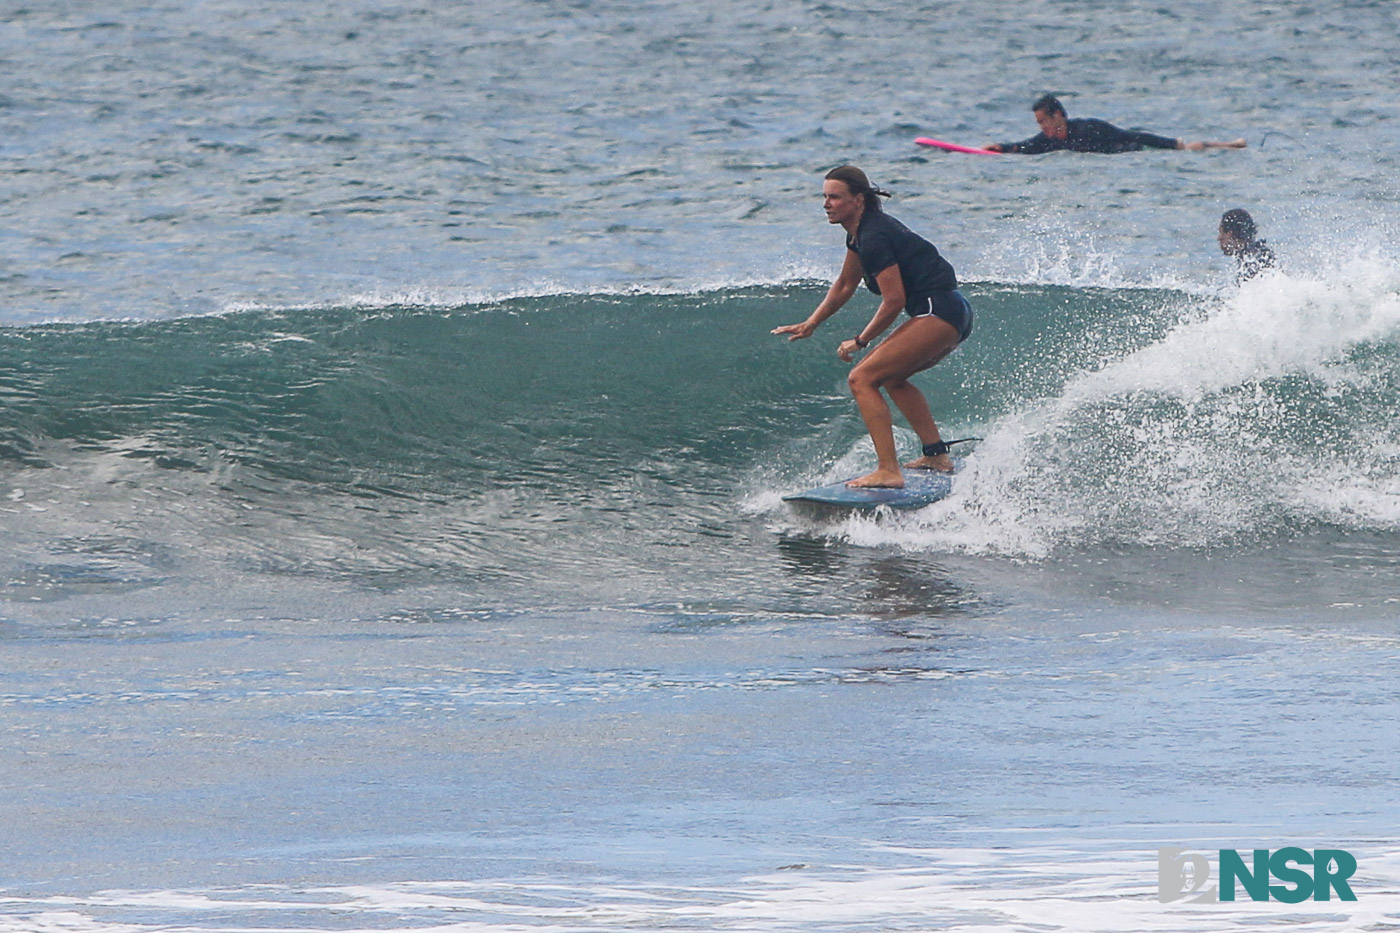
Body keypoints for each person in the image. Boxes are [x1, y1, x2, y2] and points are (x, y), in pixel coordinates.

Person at [771, 165, 973, 489]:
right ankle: (936, 454)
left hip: (939, 312)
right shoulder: (860, 234)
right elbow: (845, 284)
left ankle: (888, 471)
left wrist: (860, 340)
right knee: (892, 378)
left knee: (862, 377)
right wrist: (812, 323)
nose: (826, 203)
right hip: (952, 311)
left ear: (859, 200)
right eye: (825, 197)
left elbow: (894, 301)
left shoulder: (875, 235)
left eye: (835, 197)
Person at [984, 94, 1247, 154]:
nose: (1042, 128)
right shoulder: (1050, 140)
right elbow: (1026, 146)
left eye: (1044, 122)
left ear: (1059, 116)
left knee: (1185, 148)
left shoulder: (1089, 128)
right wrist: (1002, 148)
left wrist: (1172, 145)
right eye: (1039, 124)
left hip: (1134, 150)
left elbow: (1132, 135)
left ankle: (1224, 144)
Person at [1218, 208, 1276, 281]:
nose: (1219, 238)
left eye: (1221, 232)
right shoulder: (1260, 253)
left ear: (1230, 233)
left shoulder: (1250, 259)